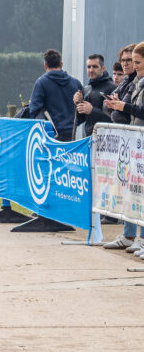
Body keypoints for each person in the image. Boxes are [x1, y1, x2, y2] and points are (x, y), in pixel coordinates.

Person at [102, 41, 144, 253]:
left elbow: (139, 110)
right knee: (131, 191)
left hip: (139, 141)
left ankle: (141, 238)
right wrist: (118, 106)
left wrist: (123, 106)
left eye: (136, 62)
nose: (132, 66)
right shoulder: (135, 81)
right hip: (132, 143)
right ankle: (129, 235)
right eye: (129, 61)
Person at [28, 49, 82, 141]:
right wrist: (74, 123)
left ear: (45, 65)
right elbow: (82, 110)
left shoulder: (41, 83)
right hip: (71, 133)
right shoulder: (75, 83)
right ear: (61, 64)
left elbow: (34, 111)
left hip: (50, 134)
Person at [73, 53, 115, 138]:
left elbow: (114, 118)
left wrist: (92, 111)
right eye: (89, 67)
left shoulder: (113, 88)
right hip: (89, 138)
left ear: (103, 69)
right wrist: (77, 103)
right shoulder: (86, 89)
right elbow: (80, 119)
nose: (91, 70)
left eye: (95, 67)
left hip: (108, 139)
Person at [108, 44, 137, 124]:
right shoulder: (126, 79)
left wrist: (119, 105)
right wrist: (118, 105)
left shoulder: (137, 81)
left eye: (129, 60)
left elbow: (118, 115)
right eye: (122, 60)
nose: (125, 63)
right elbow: (105, 106)